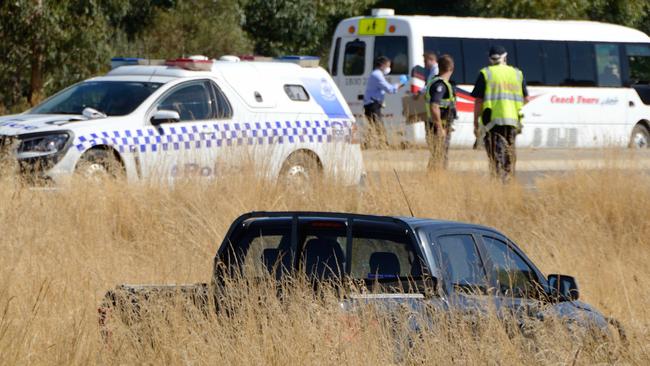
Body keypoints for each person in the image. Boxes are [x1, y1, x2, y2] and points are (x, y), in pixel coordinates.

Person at [471, 45, 529, 182]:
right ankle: (509, 181)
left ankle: (497, 181)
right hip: (512, 121)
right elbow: (526, 98)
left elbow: (478, 101)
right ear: (505, 57)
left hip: (492, 121)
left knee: (494, 155)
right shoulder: (517, 73)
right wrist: (512, 106)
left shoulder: (486, 73)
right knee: (509, 153)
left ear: (490, 59)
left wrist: (475, 123)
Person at [424, 54, 456, 170]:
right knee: (439, 157)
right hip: (437, 126)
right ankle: (435, 180)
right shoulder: (440, 85)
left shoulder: (435, 81)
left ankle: (435, 180)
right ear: (451, 68)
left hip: (437, 125)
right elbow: (434, 106)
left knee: (438, 156)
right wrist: (440, 128)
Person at [363, 56, 403, 147]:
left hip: (372, 103)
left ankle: (368, 144)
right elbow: (389, 89)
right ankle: (384, 144)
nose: (389, 68)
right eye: (388, 66)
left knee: (372, 125)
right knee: (378, 126)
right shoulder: (377, 75)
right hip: (372, 104)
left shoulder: (377, 74)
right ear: (382, 65)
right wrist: (401, 83)